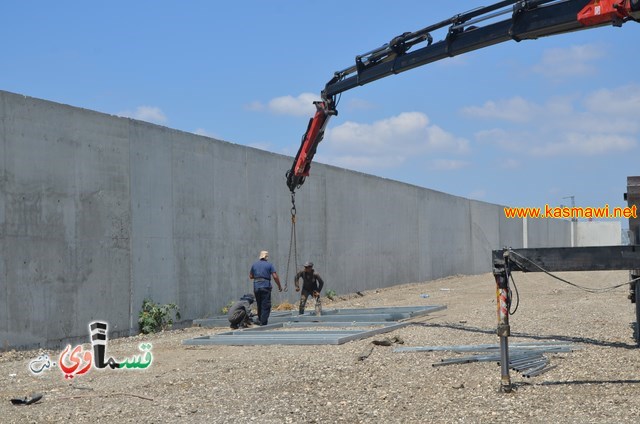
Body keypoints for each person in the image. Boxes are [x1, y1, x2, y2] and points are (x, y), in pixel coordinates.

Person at [249, 250, 282, 325]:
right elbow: (275, 276)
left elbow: (251, 276)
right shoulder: (269, 265)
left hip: (256, 287)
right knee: (266, 305)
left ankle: (260, 319)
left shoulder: (254, 265)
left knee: (259, 304)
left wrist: (258, 276)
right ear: (266, 257)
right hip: (266, 286)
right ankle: (263, 322)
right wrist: (279, 286)